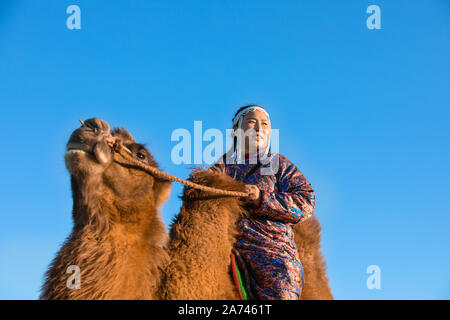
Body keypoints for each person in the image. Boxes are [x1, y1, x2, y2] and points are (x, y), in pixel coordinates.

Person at [214, 104, 315, 300]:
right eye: (252, 122)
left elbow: (306, 202)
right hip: (225, 244)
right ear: (236, 130)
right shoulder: (221, 168)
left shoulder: (278, 165)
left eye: (265, 124)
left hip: (271, 250)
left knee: (282, 289)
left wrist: (262, 198)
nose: (259, 128)